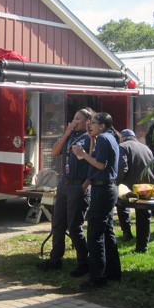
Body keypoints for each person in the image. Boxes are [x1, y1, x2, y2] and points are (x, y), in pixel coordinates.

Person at [37, 108, 93, 276]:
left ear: (87, 122)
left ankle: (83, 263)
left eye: (78, 119)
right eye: (73, 118)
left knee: (74, 226)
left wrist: (85, 185)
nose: (74, 122)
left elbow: (94, 162)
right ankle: (55, 260)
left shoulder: (90, 138)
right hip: (64, 184)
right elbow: (54, 152)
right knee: (58, 223)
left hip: (78, 185)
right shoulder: (70, 136)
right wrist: (66, 133)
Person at [74, 112, 122, 289]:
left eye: (93, 122)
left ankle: (97, 277)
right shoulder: (107, 137)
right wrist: (91, 141)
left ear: (102, 125)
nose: (89, 125)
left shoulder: (103, 138)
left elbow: (101, 164)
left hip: (102, 189)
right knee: (107, 231)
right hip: (108, 188)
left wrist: (82, 154)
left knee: (95, 234)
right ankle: (113, 271)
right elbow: (98, 160)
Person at [116, 129, 154, 253]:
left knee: (121, 206)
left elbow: (122, 167)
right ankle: (142, 246)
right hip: (146, 186)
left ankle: (127, 233)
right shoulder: (146, 148)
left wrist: (116, 183)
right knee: (144, 215)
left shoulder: (122, 146)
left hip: (130, 187)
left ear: (122, 137)